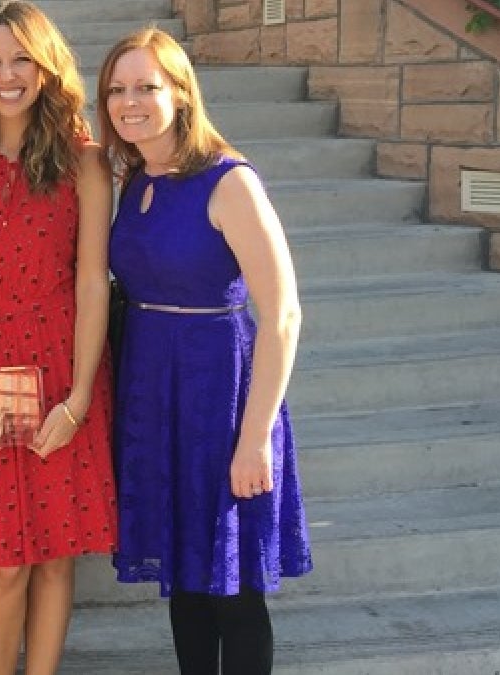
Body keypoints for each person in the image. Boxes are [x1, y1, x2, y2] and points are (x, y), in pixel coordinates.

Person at [96, 27, 314, 675]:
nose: (129, 101)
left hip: (220, 397)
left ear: (181, 93)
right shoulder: (135, 177)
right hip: (152, 391)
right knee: (186, 580)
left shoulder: (229, 180)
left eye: (146, 86)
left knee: (234, 587)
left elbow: (283, 313)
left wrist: (255, 437)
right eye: (116, 89)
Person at [0, 2, 118, 673]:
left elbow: (94, 283)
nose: (7, 75)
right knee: (2, 566)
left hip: (65, 370)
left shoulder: (85, 163)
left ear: (45, 67)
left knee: (55, 559)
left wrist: (81, 396)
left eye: (21, 59)